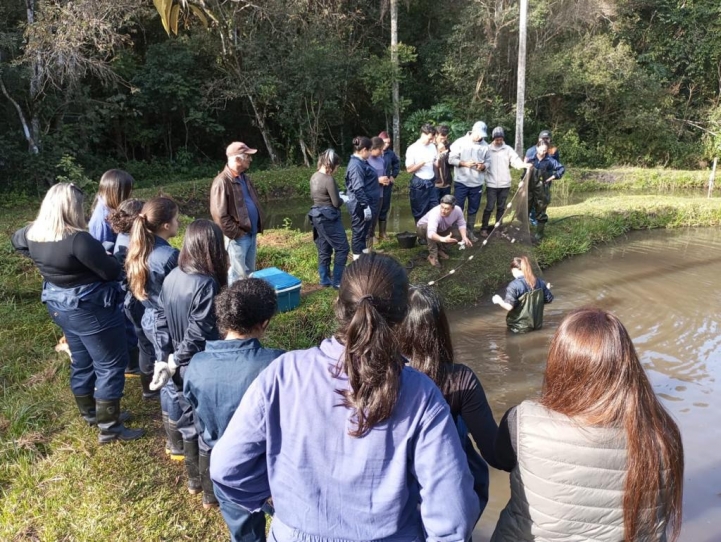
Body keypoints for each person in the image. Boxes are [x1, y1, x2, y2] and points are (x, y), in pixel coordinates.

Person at [210, 254, 480, 542]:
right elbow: (453, 517)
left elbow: (227, 468)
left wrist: (271, 498)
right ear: (402, 316)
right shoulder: (423, 395)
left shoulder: (284, 373)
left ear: (338, 306)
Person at [492, 307, 684, 542]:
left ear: (558, 363)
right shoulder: (663, 433)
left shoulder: (522, 420)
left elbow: (499, 459)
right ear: (627, 365)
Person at [11, 183, 143, 443]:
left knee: (82, 361)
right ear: (72, 208)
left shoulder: (32, 234)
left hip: (59, 306)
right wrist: (110, 256)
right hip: (91, 308)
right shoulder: (78, 240)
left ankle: (90, 413)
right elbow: (111, 272)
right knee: (110, 364)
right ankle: (110, 427)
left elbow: (17, 242)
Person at [184, 279, 285, 540]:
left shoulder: (196, 365)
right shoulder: (278, 365)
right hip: (271, 470)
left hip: (228, 474)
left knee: (245, 534)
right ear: (263, 323)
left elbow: (198, 417)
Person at [397, 284, 503, 513]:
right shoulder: (459, 380)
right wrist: (517, 424)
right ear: (440, 328)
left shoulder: (379, 378)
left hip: (398, 500)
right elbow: (497, 456)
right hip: (448, 500)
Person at [151, 219, 229, 504]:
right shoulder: (206, 283)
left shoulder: (173, 275)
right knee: (206, 427)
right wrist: (176, 359)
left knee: (187, 423)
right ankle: (210, 495)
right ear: (213, 248)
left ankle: (194, 483)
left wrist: (166, 359)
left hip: (178, 366)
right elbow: (199, 332)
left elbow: (160, 321)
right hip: (198, 365)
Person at [125, 197, 181, 452]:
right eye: (177, 219)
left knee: (163, 368)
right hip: (165, 322)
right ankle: (175, 440)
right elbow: (180, 292)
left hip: (149, 318)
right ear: (166, 225)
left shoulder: (137, 247)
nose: (179, 223)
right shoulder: (168, 256)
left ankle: (175, 436)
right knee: (170, 376)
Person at [210, 141, 265, 284]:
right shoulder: (221, 182)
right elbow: (219, 216)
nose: (250, 160)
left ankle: (248, 302)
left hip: (250, 234)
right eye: (248, 156)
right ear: (238, 159)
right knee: (237, 275)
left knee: (249, 273)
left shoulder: (244, 178)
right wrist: (237, 234)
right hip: (238, 238)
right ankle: (235, 304)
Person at [108, 198, 145, 378]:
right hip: (131, 295)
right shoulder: (127, 244)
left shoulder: (124, 238)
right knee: (135, 330)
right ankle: (133, 365)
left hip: (130, 294)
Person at [308, 149, 349, 288]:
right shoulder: (328, 179)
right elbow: (336, 203)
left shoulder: (314, 176)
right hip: (328, 216)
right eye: (337, 167)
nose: (336, 170)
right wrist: (344, 198)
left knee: (324, 249)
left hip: (316, 215)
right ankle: (337, 281)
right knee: (342, 248)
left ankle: (324, 280)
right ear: (331, 164)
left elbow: (318, 196)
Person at [482, 127, 531, 237]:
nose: (499, 141)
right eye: (497, 139)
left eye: (501, 139)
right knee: (489, 207)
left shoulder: (508, 149)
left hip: (505, 184)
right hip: (491, 183)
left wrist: (523, 165)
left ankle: (498, 229)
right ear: (493, 139)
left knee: (501, 207)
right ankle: (484, 228)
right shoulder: (487, 149)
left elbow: (515, 160)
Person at [448, 121, 489, 242]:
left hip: (477, 183)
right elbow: (451, 159)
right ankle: (456, 233)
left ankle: (470, 231)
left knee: (473, 208)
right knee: (458, 207)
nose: (480, 137)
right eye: (478, 134)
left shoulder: (486, 146)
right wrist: (464, 163)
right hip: (461, 181)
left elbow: (489, 162)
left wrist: (483, 166)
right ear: (473, 130)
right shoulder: (460, 142)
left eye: (482, 135)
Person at [492, 256, 553, 333]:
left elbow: (509, 307)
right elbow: (548, 300)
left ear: (514, 269)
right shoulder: (540, 282)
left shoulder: (514, 285)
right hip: (537, 326)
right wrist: (547, 289)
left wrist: (499, 300)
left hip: (518, 328)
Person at [344, 136, 379, 260]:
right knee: (358, 232)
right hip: (358, 204)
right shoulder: (355, 165)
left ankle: (363, 257)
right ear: (364, 150)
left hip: (366, 202)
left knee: (363, 232)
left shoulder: (361, 162)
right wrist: (365, 206)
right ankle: (357, 259)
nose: (370, 154)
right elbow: (358, 188)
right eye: (370, 151)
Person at [416, 194, 473, 268]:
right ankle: (433, 256)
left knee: (461, 234)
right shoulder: (435, 213)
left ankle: (440, 249)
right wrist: (442, 239)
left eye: (447, 209)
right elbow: (430, 233)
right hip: (422, 229)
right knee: (429, 229)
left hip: (440, 229)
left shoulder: (458, 210)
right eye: (442, 207)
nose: (443, 211)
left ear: (452, 209)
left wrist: (464, 237)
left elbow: (461, 224)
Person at [88, 169, 134, 252]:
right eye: (128, 193)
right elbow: (104, 252)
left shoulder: (109, 209)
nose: (130, 196)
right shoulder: (102, 221)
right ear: (118, 193)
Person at [528, 142, 564, 241]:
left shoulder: (550, 160)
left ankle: (539, 233)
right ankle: (524, 230)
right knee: (525, 208)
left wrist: (552, 177)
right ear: (537, 148)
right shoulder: (531, 159)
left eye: (545, 150)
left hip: (542, 189)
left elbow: (561, 169)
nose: (543, 152)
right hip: (529, 188)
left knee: (541, 210)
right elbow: (524, 174)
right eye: (541, 150)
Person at [405, 123, 438, 229]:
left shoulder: (433, 146)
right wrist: (423, 162)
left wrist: (441, 157)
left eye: (433, 139)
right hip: (419, 182)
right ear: (424, 134)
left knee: (434, 207)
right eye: (430, 138)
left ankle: (432, 233)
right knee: (420, 210)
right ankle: (421, 235)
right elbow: (409, 169)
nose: (432, 141)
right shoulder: (413, 148)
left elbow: (435, 162)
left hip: (431, 180)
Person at [367, 136, 389, 247]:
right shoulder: (366, 160)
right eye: (380, 149)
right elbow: (362, 180)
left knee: (375, 217)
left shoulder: (381, 160)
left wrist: (385, 180)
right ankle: (368, 244)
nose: (382, 151)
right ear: (373, 148)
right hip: (369, 194)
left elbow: (383, 174)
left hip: (380, 193)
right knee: (369, 220)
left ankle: (371, 244)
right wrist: (377, 180)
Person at [378, 130, 400, 240]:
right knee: (374, 209)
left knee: (384, 207)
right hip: (375, 186)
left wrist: (393, 175)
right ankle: (371, 235)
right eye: (384, 142)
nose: (386, 145)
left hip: (386, 185)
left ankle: (382, 233)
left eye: (388, 142)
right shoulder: (372, 153)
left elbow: (396, 163)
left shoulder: (390, 154)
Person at [434, 125, 453, 203]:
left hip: (446, 184)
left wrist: (445, 152)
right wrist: (438, 152)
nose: (443, 139)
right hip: (434, 184)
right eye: (442, 136)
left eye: (445, 136)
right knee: (434, 208)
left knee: (446, 206)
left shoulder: (449, 147)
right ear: (436, 135)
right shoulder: (430, 147)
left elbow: (451, 164)